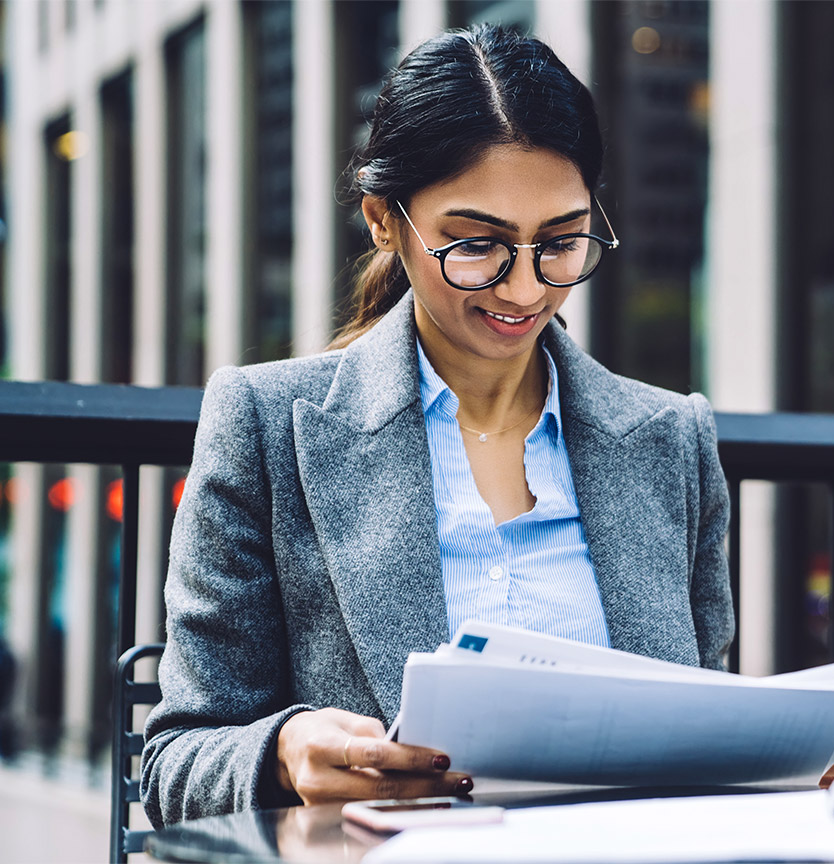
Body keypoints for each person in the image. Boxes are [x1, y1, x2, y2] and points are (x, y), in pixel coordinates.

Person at [140, 26, 733, 827]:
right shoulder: (267, 427)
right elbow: (177, 761)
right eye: (476, 244)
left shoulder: (672, 443)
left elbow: (717, 744)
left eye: (560, 242)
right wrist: (283, 752)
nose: (524, 288)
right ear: (384, 219)